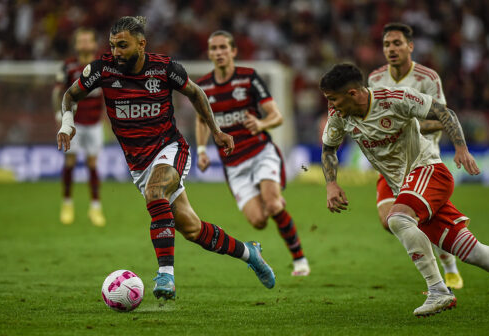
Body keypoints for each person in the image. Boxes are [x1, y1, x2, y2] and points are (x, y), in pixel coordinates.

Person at [56, 16, 275, 300]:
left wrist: (216, 131)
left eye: (122, 46)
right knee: (193, 230)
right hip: (139, 164)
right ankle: (250, 253)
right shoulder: (102, 70)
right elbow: (70, 96)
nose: (116, 52)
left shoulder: (163, 68)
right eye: (112, 46)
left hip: (170, 148)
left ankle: (166, 276)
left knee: (155, 191)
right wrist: (66, 123)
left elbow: (196, 93)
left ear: (141, 44)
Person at [319, 63, 489, 317]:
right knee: (472, 252)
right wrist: (331, 184)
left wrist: (461, 148)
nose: (331, 105)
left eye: (333, 98)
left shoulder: (396, 99)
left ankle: (438, 291)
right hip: (405, 185)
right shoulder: (339, 116)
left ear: (352, 93)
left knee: (397, 218)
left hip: (428, 170)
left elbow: (444, 112)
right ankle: (442, 287)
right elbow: (329, 148)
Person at [195, 30, 310, 276]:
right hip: (233, 164)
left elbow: (276, 115)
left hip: (260, 152)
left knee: (273, 204)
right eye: (214, 48)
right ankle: (273, 200)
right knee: (258, 221)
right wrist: (202, 150)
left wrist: (261, 124)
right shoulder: (203, 86)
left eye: (223, 47)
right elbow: (202, 120)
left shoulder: (248, 78)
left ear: (233, 51)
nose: (219, 52)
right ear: (209, 53)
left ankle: (299, 260)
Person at [368, 22, 463, 289]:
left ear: (410, 46)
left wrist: (409, 121)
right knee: (390, 222)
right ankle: (441, 271)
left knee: (414, 218)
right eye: (387, 44)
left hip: (422, 159)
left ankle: (446, 270)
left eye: (397, 43)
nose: (391, 49)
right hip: (390, 161)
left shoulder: (427, 78)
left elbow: (443, 118)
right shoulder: (375, 79)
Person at [53, 28, 106, 227]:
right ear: (76, 45)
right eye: (81, 41)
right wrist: (59, 114)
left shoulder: (102, 66)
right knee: (70, 163)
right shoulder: (68, 67)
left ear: (93, 44)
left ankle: (95, 207)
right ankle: (67, 203)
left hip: (94, 124)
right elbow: (57, 92)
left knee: (93, 164)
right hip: (73, 123)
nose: (84, 44)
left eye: (87, 40)